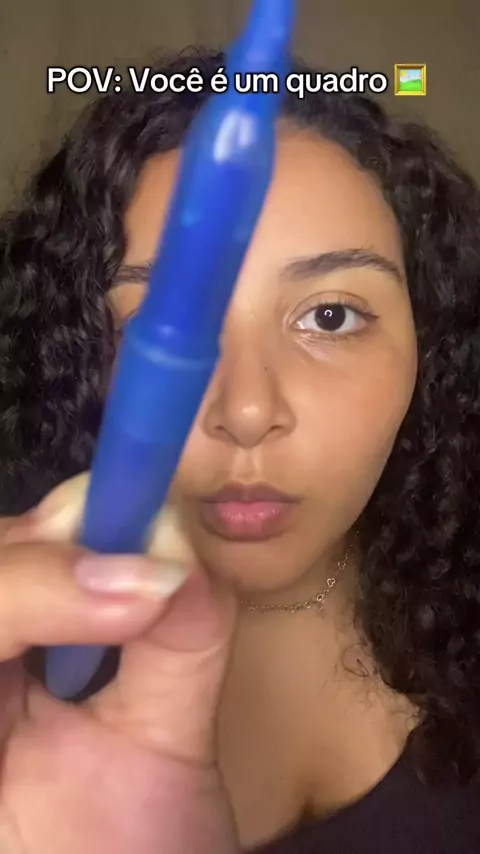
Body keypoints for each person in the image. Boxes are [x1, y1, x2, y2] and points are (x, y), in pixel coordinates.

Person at [0, 46, 480, 854]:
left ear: (427, 347)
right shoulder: (22, 670)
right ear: (76, 360)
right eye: (165, 324)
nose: (248, 410)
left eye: (331, 316)